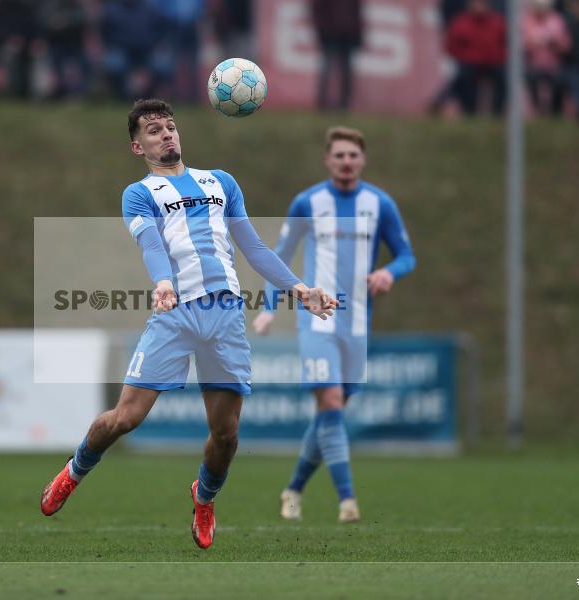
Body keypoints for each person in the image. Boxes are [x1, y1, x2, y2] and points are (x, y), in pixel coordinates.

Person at [40, 99, 338, 550]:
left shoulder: (220, 182)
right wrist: (163, 282)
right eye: (154, 130)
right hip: (175, 313)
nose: (166, 134)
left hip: (226, 316)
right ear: (137, 147)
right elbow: (151, 244)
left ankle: (204, 496)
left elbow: (254, 247)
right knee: (126, 418)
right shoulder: (139, 193)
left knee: (226, 434)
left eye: (170, 126)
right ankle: (74, 470)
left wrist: (299, 288)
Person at [252, 127, 415, 523]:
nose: (346, 162)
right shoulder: (308, 202)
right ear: (327, 160)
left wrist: (389, 272)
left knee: (332, 413)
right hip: (317, 321)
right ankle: (348, 501)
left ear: (363, 160)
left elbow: (406, 255)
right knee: (329, 402)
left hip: (357, 323)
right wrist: (270, 308)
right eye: (339, 155)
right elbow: (278, 258)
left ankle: (293, 489)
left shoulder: (380, 204)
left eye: (352, 155)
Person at [445, 0, 507, 116]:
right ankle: (469, 111)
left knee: (504, 77)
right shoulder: (461, 22)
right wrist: (466, 57)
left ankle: (496, 112)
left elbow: (507, 43)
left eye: (482, 4)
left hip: (494, 62)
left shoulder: (498, 21)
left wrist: (498, 56)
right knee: (462, 77)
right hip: (470, 62)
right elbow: (452, 46)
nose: (479, 7)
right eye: (476, 4)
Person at [310, 0, 364, 110]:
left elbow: (357, 12)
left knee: (345, 71)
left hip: (348, 34)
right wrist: (322, 29)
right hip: (331, 34)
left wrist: (358, 34)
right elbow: (317, 9)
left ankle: (343, 104)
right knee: (328, 69)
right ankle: (323, 103)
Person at [522, 0, 571, 116]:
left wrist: (554, 45)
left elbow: (566, 44)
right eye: (538, 7)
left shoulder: (556, 20)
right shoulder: (527, 21)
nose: (541, 10)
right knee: (531, 77)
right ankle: (537, 108)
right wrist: (533, 44)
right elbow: (522, 43)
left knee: (560, 80)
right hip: (533, 64)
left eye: (543, 7)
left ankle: (555, 111)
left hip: (554, 64)